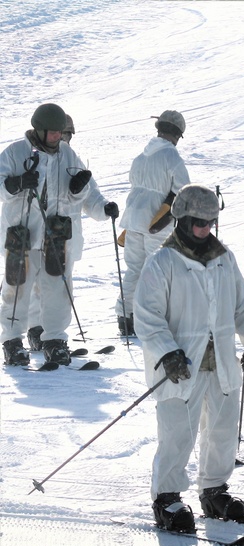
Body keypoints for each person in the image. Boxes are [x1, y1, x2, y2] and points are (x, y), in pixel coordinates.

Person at [133, 184, 244, 533]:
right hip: (181, 365)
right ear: (181, 219)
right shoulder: (162, 262)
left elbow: (241, 304)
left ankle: (214, 490)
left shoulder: (224, 259)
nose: (206, 228)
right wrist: (167, 351)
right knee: (178, 431)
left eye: (211, 222)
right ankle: (167, 497)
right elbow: (147, 316)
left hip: (220, 361)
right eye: (199, 222)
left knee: (223, 429)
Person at [1, 103, 113, 367]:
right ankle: (12, 341)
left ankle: (54, 340)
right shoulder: (15, 152)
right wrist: (15, 184)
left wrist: (85, 193)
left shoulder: (68, 155)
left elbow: (82, 191)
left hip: (56, 235)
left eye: (60, 132)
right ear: (39, 130)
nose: (57, 137)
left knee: (58, 288)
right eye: (53, 132)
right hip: (23, 235)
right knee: (17, 288)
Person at [26, 113, 119, 352]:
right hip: (35, 235)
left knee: (60, 287)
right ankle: (36, 330)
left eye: (67, 134)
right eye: (60, 133)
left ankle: (54, 335)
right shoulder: (32, 156)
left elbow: (91, 194)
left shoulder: (71, 160)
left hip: (63, 238)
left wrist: (104, 208)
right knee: (37, 285)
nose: (63, 138)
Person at [117, 109, 191, 337]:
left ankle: (125, 316)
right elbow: (183, 191)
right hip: (157, 222)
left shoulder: (141, 157)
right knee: (156, 272)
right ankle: (152, 319)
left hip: (132, 221)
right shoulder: (172, 157)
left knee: (135, 270)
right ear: (178, 134)